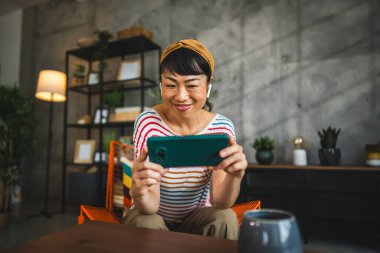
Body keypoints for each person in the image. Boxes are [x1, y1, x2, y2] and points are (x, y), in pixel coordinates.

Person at [124, 39, 247, 240]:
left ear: (208, 85)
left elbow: (221, 203)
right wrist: (138, 191)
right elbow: (150, 206)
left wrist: (235, 176)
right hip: (153, 214)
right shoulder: (148, 122)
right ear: (161, 84)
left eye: (191, 85)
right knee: (145, 221)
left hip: (197, 218)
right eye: (171, 85)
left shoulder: (221, 128)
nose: (181, 96)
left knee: (225, 217)